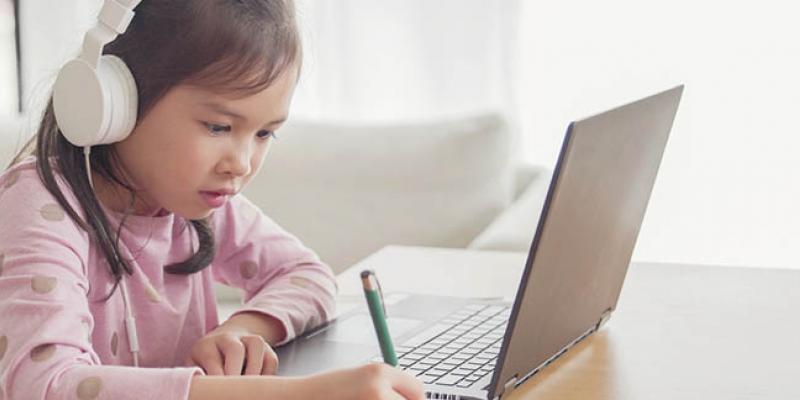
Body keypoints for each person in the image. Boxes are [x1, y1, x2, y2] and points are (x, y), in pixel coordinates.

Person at [0, 1, 424, 399]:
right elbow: (46, 385)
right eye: (219, 127)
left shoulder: (194, 204)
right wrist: (306, 393)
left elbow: (305, 275)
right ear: (114, 101)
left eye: (264, 134)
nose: (240, 164)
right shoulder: (39, 204)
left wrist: (242, 330)